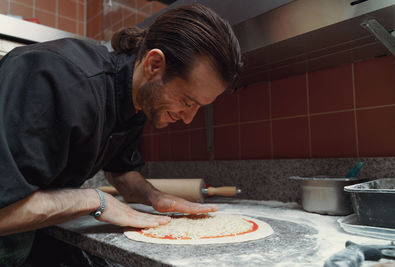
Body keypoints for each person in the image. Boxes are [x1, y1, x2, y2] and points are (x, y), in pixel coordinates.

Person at [0, 3, 242, 266]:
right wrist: (95, 200)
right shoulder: (59, 79)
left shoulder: (137, 102)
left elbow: (121, 171)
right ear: (154, 64)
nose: (188, 118)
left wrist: (155, 197)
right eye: (187, 101)